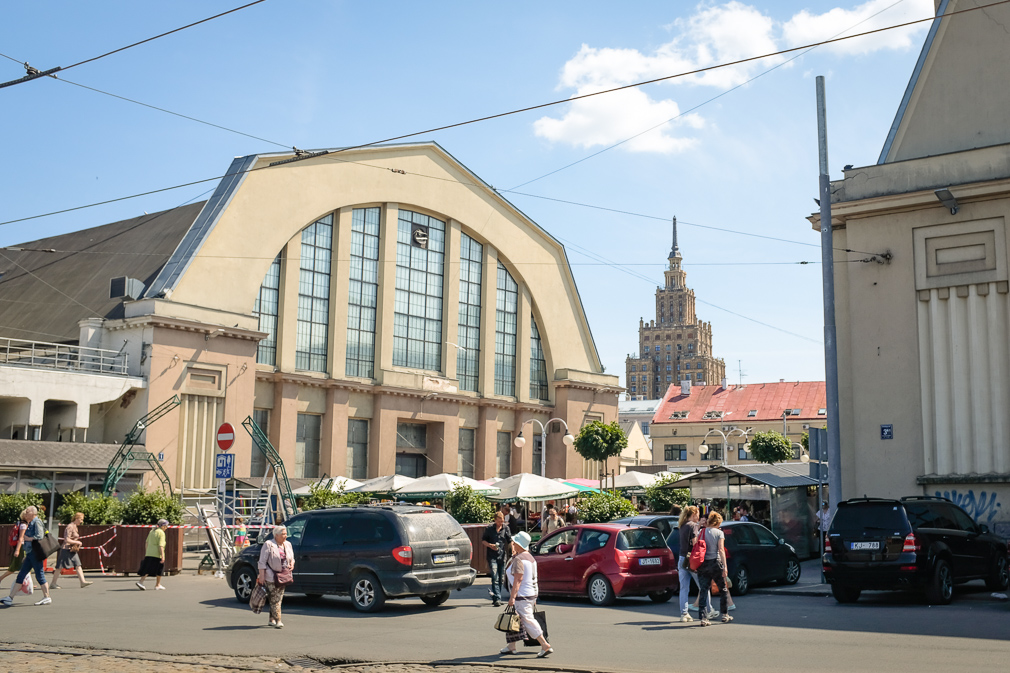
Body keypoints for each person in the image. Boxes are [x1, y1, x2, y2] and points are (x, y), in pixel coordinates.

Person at [501, 531, 552, 658]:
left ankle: (544, 644)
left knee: (527, 619)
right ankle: (511, 645)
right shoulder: (530, 557)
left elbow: (518, 580)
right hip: (531, 593)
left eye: (514, 542)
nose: (512, 544)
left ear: (519, 544)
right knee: (515, 618)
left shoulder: (519, 559)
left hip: (522, 595)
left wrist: (512, 597)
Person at [1, 506, 52, 606]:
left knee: (39, 575)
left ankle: (47, 597)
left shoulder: (37, 522)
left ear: (33, 513)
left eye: (27, 511)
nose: (25, 513)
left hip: (35, 553)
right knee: (21, 574)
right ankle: (10, 597)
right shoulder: (30, 522)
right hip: (30, 553)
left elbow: (40, 536)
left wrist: (28, 538)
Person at [697, 511, 732, 626]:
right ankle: (725, 614)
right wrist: (725, 566)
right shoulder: (719, 533)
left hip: (703, 564)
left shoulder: (701, 532)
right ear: (717, 522)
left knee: (703, 590)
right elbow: (721, 550)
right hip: (715, 563)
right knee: (723, 588)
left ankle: (703, 618)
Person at [257, 525, 294, 628]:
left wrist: (292, 564)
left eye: (286, 534)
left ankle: (271, 619)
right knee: (275, 599)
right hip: (271, 576)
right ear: (276, 535)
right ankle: (278, 620)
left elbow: (292, 558)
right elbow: (262, 561)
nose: (285, 536)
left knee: (277, 598)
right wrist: (262, 576)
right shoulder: (269, 544)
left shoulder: (288, 544)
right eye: (283, 534)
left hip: (284, 576)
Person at [51, 512, 93, 589]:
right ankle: (53, 583)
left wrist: (76, 543)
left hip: (71, 549)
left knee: (78, 565)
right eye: (81, 519)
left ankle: (82, 582)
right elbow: (67, 539)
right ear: (76, 518)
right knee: (59, 566)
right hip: (66, 549)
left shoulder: (75, 526)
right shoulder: (70, 527)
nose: (82, 521)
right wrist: (77, 542)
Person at [482, 511, 512, 607]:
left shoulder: (506, 528)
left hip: (502, 556)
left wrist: (513, 551)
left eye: (502, 521)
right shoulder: (489, 529)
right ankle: (498, 598)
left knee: (501, 578)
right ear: (495, 520)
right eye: (499, 521)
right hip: (492, 556)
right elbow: (483, 541)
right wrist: (490, 545)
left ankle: (496, 596)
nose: (501, 523)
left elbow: (510, 541)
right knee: (495, 577)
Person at [677, 505, 701, 622]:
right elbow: (695, 543)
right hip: (691, 559)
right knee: (703, 586)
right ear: (693, 514)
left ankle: (684, 613)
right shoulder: (693, 525)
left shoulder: (682, 525)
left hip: (682, 558)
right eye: (698, 514)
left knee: (684, 588)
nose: (699, 517)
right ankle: (708, 610)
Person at [136, 519, 169, 590]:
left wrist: (147, 551)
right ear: (163, 526)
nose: (166, 528)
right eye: (166, 526)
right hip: (157, 554)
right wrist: (163, 556)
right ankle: (142, 582)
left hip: (149, 553)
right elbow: (161, 545)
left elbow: (146, 542)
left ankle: (157, 584)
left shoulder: (152, 531)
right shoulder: (161, 533)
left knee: (150, 568)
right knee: (158, 569)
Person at [0, 509, 29, 588]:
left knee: (27, 565)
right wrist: (17, 550)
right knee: (15, 566)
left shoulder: (20, 523)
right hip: (21, 546)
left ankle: (28, 582)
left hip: (22, 546)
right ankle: (1, 578)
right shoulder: (23, 525)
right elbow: (21, 538)